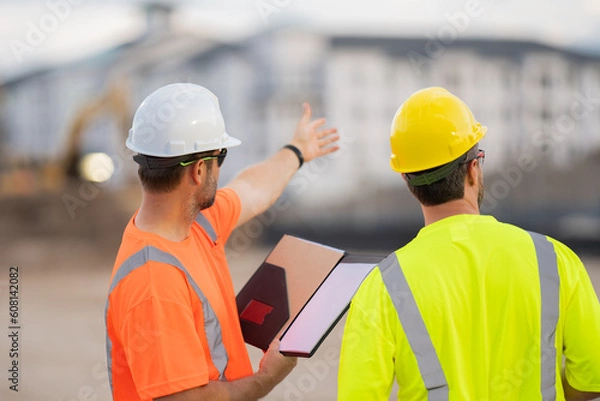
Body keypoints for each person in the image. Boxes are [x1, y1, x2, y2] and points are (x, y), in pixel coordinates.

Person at [337, 86, 600, 401]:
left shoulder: (382, 287)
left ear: (407, 180)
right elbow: (591, 379)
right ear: (474, 168)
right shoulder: (554, 261)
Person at [105, 83, 339, 401]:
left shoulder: (198, 222)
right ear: (200, 170)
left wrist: (296, 151)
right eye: (221, 156)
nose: (222, 168)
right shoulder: (153, 281)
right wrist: (267, 378)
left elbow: (252, 188)